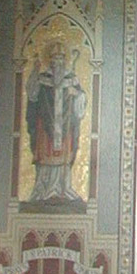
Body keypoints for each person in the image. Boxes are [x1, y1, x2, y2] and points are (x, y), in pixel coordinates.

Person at [26, 41, 88, 204]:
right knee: (45, 154)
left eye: (61, 59)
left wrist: (77, 94)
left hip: (65, 124)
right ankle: (43, 188)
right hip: (45, 125)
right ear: (50, 60)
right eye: (55, 59)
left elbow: (81, 98)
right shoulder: (42, 78)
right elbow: (32, 95)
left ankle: (64, 188)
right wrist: (34, 70)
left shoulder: (71, 78)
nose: (58, 62)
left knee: (64, 155)